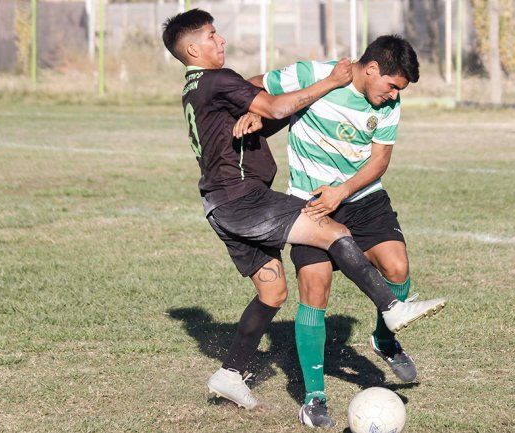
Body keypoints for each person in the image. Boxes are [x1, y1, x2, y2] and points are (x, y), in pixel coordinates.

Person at [161, 9, 446, 411]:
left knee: (273, 292)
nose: (221, 40)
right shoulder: (219, 79)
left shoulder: (197, 86)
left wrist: (255, 111)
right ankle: (391, 307)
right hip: (243, 199)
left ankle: (229, 373)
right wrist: (325, 84)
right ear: (193, 49)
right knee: (333, 233)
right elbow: (277, 107)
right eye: (212, 35)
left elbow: (270, 111)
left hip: (221, 203)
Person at [245, 35, 427, 428]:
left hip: (363, 199)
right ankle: (314, 398)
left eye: (400, 90)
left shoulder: (389, 103)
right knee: (315, 286)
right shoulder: (312, 74)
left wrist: (342, 191)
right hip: (308, 203)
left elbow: (380, 160)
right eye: (392, 85)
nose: (394, 95)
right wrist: (254, 111)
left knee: (397, 268)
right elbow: (252, 85)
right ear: (372, 68)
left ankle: (384, 340)